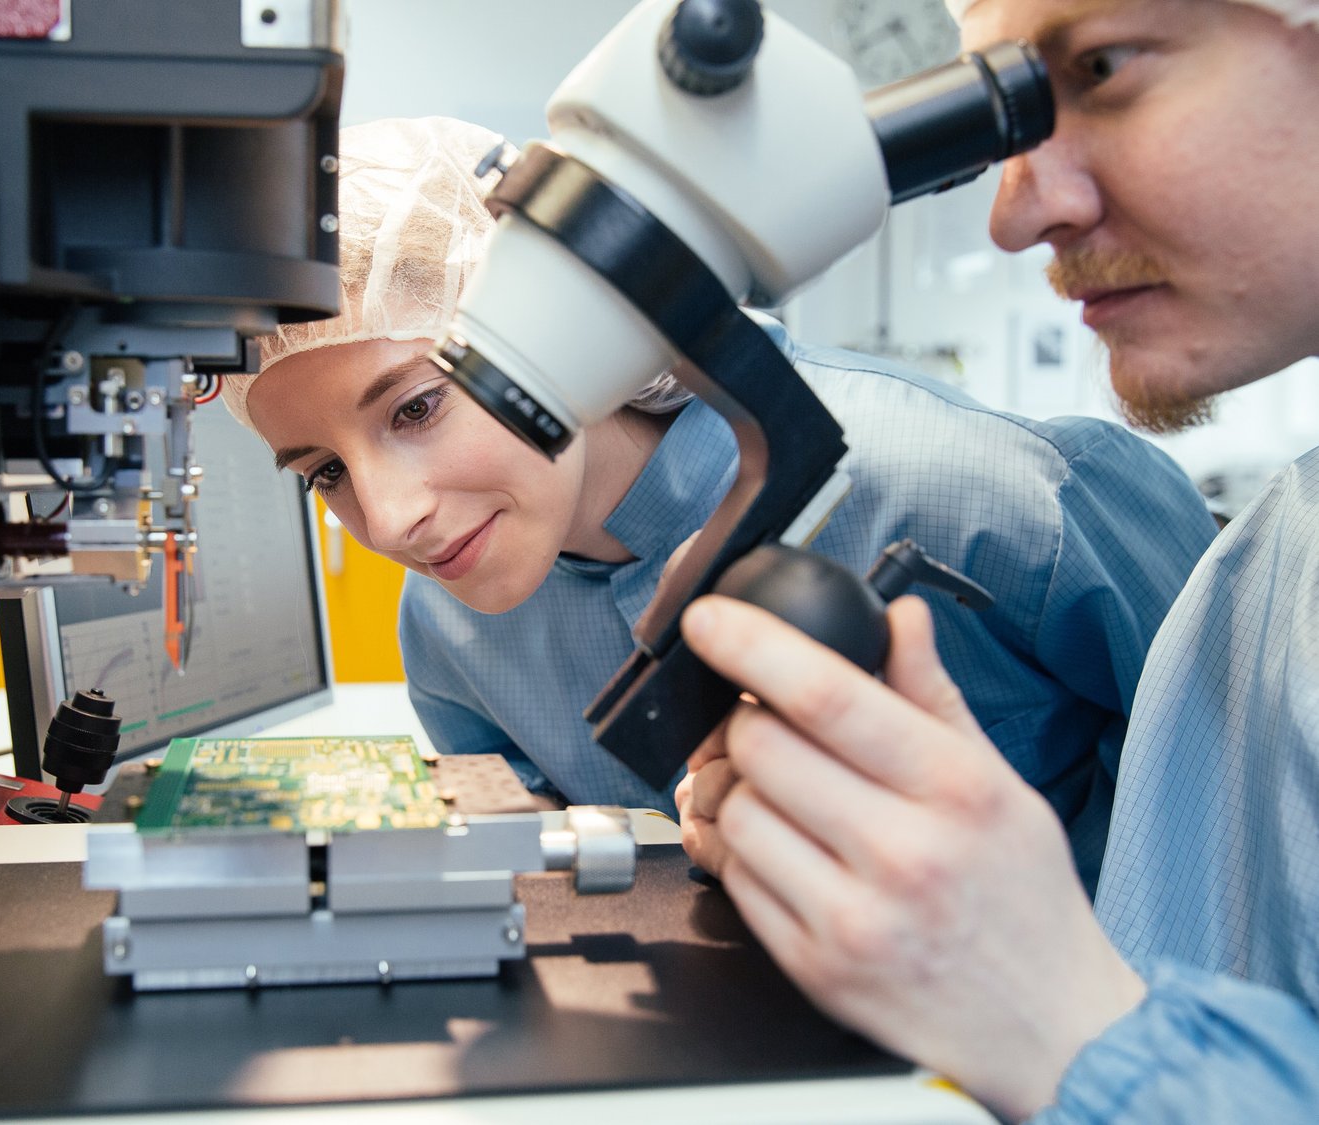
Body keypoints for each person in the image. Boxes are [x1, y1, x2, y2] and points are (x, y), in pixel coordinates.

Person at [220, 114, 1217, 892]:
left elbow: (1252, 858)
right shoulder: (451, 623)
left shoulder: (998, 497)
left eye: (419, 407)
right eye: (325, 474)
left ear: (549, 325)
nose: (390, 520)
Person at [676, 0, 1319, 1119]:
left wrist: (1053, 1014)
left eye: (1104, 66)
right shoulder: (1275, 555)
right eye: (1012, 115)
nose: (1016, 217)